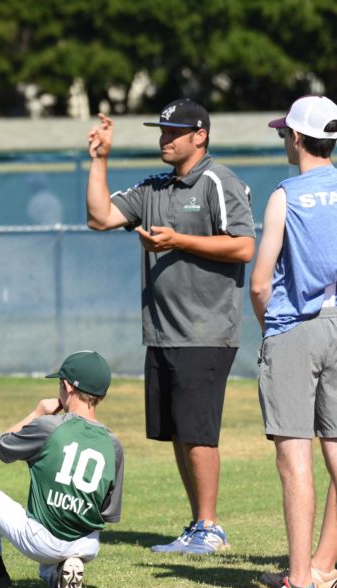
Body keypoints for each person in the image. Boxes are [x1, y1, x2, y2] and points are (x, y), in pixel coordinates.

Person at [86, 99, 255, 554]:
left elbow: (243, 247)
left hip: (206, 330)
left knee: (198, 429)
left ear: (200, 135)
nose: (165, 138)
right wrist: (99, 160)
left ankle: (210, 526)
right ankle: (199, 524)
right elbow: (100, 218)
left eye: (174, 131)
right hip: (163, 331)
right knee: (180, 429)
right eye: (161, 130)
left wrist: (177, 240)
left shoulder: (220, 182)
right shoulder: (154, 187)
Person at [239, 96, 337, 588]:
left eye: (285, 134)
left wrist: (270, 330)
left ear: (297, 139)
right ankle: (322, 569)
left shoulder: (286, 195)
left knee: (294, 456)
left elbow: (260, 283)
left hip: (295, 327)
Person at [0, 351, 124, 588]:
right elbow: (108, 512)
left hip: (43, 541)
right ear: (101, 394)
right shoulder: (113, 444)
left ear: (68, 386)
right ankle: (62, 571)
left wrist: (37, 414)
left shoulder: (49, 426)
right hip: (87, 544)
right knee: (51, 562)